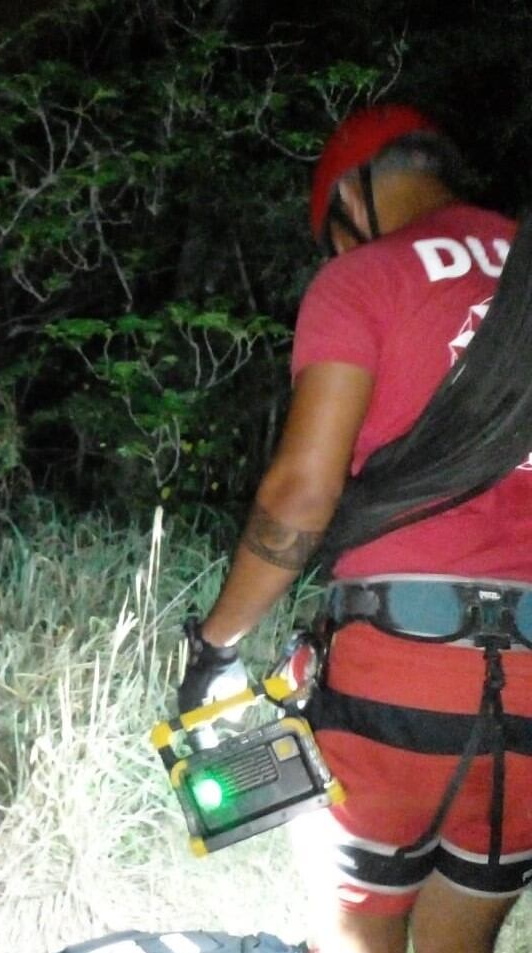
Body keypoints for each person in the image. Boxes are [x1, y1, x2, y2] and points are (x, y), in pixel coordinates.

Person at [177, 105, 532, 953]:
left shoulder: (366, 277)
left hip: (393, 682)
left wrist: (218, 645)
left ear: (353, 197)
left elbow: (302, 494)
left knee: (355, 938)